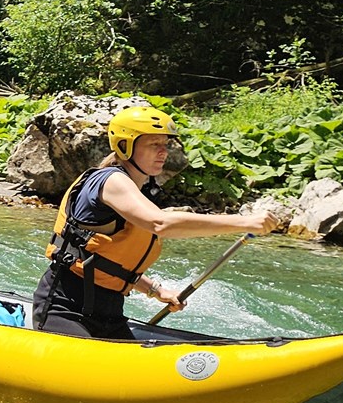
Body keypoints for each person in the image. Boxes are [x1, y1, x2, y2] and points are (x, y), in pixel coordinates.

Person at [31, 106, 281, 339]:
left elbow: (105, 263)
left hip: (109, 314)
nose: (164, 151)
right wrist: (243, 222)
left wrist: (155, 290)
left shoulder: (136, 190)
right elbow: (161, 224)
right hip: (64, 309)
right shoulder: (111, 181)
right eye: (153, 144)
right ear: (125, 146)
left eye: (165, 144)